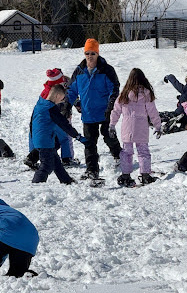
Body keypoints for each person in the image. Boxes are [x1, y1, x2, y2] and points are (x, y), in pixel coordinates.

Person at [62, 38, 121, 180]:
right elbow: (71, 91)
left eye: (93, 53)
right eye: (87, 53)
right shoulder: (79, 71)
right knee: (89, 143)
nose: (90, 56)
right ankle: (92, 170)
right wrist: (67, 106)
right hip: (88, 113)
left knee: (108, 136)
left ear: (98, 54)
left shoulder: (107, 70)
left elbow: (114, 89)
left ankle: (120, 157)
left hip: (105, 111)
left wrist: (111, 106)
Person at [110, 68, 162, 187]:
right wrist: (158, 126)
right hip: (141, 127)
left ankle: (126, 175)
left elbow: (116, 111)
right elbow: (153, 112)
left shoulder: (123, 94)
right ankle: (145, 175)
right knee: (143, 151)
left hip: (127, 127)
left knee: (126, 152)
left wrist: (112, 124)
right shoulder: (146, 94)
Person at [31, 84, 88, 184]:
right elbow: (63, 124)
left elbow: (32, 121)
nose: (62, 100)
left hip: (40, 138)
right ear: (57, 95)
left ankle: (66, 180)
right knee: (46, 165)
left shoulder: (40, 104)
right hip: (45, 140)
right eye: (62, 98)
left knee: (56, 161)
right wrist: (77, 136)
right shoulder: (51, 108)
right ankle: (37, 184)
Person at [24, 69, 78, 170]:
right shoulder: (58, 90)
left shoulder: (47, 89)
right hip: (56, 117)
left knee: (47, 139)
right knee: (63, 138)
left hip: (44, 118)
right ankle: (67, 159)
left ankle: (32, 157)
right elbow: (68, 99)